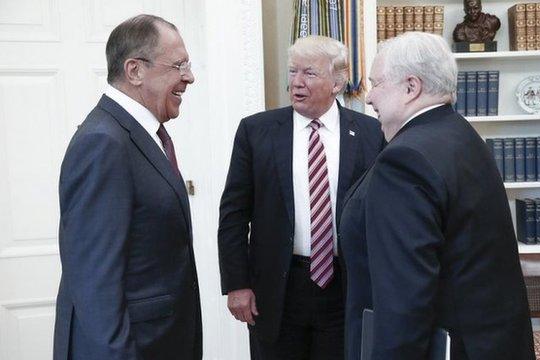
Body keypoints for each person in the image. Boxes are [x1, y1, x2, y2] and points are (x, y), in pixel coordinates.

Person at [340, 32, 535, 360]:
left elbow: (404, 301)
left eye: (376, 84)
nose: (369, 97)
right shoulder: (461, 135)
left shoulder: (405, 161)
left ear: (411, 87)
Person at [218, 35, 384, 359]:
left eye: (309, 73)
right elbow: (234, 214)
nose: (296, 82)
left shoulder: (371, 134)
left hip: (345, 286)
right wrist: (236, 283)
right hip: (279, 288)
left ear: (337, 82)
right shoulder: (256, 131)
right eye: (292, 72)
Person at [53, 14, 201, 360]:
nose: (189, 77)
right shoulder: (104, 143)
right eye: (178, 66)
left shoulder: (137, 136)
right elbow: (95, 284)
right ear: (134, 70)